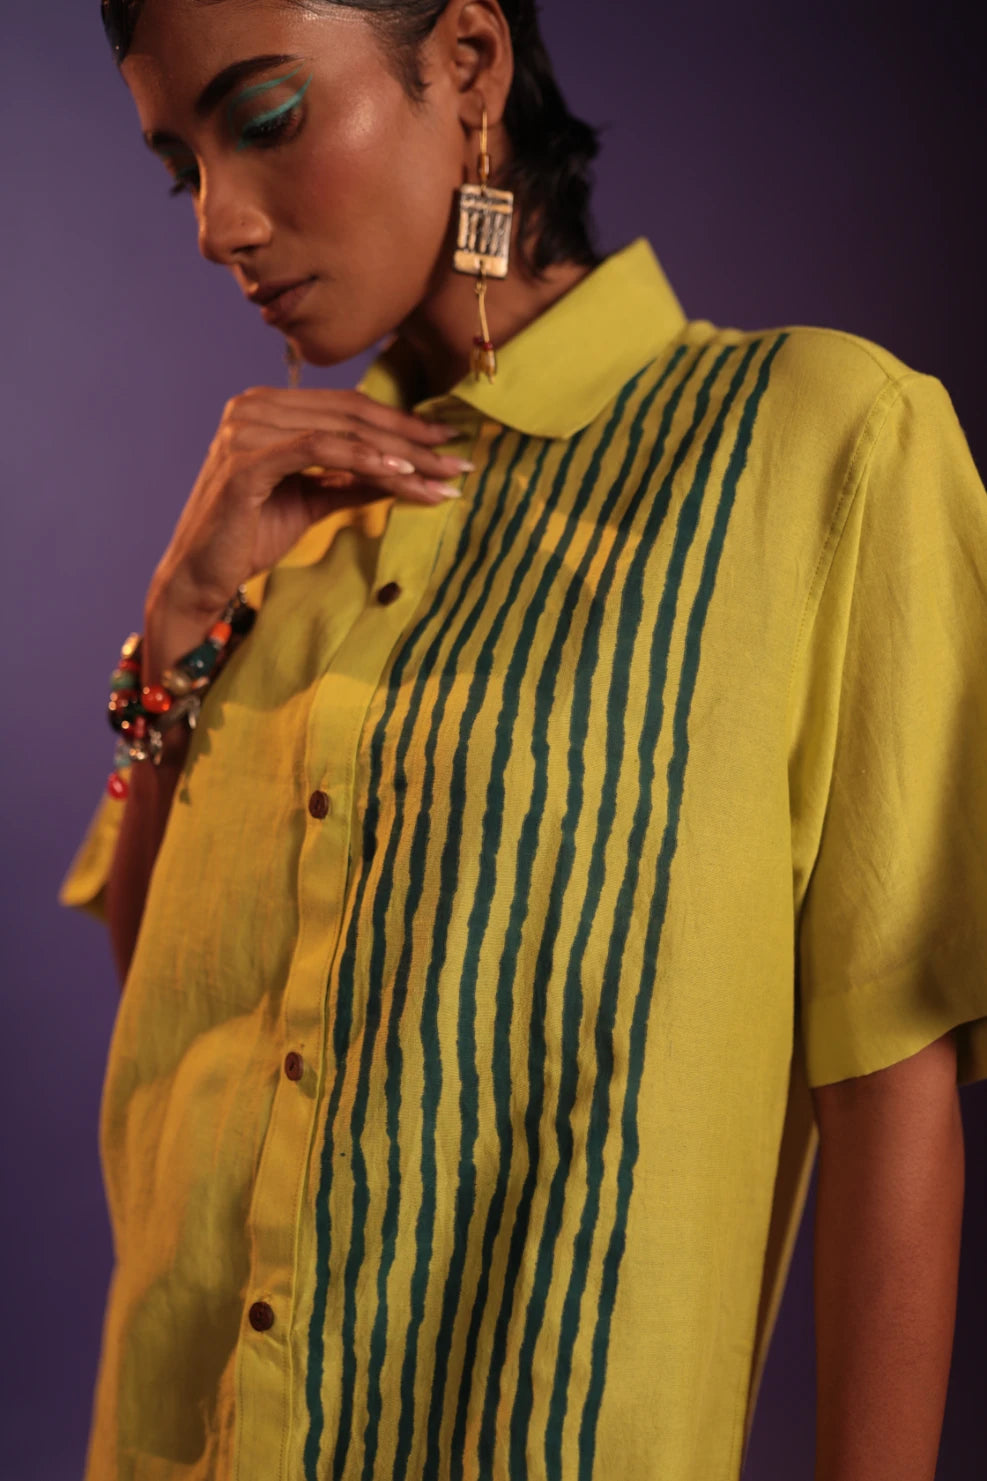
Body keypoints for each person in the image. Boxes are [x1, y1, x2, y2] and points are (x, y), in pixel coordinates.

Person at [59, 1, 987, 1478]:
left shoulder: (823, 442)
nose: (219, 223)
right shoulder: (284, 531)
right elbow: (175, 1010)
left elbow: (889, 1085)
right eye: (185, 168)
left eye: (269, 119)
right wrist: (179, 625)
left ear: (470, 64)